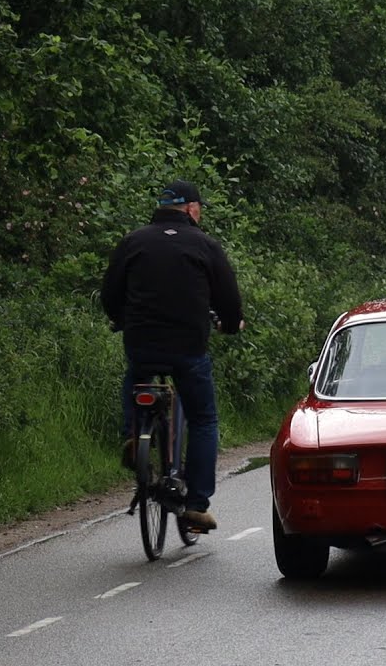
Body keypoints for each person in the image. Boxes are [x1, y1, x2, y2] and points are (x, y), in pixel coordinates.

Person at [102, 179, 244, 532]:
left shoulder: (134, 241)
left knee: (136, 375)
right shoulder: (205, 244)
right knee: (203, 419)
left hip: (142, 341)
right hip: (188, 347)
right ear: (192, 209)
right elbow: (228, 297)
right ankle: (196, 505)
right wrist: (228, 324)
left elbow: (109, 293)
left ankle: (134, 435)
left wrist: (122, 319)